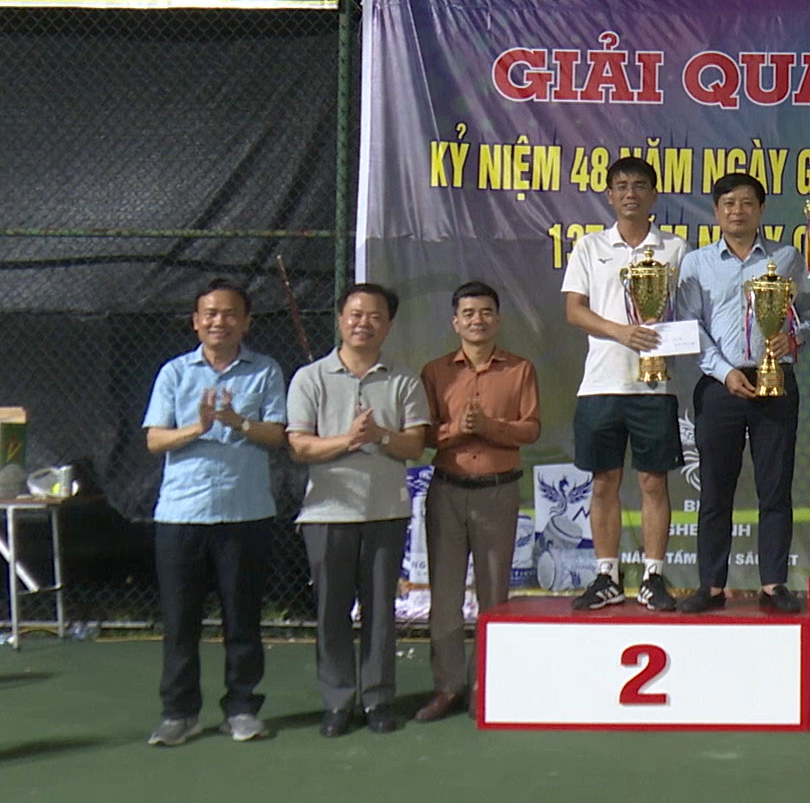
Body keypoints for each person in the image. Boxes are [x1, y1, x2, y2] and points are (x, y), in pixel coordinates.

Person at [141, 279, 288, 747]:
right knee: (179, 622)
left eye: (229, 314)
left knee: (242, 620)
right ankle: (179, 713)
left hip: (245, 514)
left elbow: (277, 435)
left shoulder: (264, 371)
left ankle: (242, 709)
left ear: (246, 322)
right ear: (195, 322)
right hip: (181, 514)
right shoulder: (174, 373)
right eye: (210, 313)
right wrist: (198, 427)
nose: (218, 321)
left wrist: (237, 422)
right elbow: (155, 439)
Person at [286, 283, 431, 737]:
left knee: (380, 611)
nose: (362, 323)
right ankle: (337, 701)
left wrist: (379, 436)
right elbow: (299, 445)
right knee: (331, 611)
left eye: (374, 316)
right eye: (354, 314)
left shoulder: (404, 379)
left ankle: (378, 699)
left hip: (385, 512)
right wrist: (346, 440)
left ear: (388, 325)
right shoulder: (310, 378)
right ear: (340, 319)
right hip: (326, 512)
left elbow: (415, 444)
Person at [675, 173, 810, 614]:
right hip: (720, 385)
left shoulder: (786, 258)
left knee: (774, 488)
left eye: (746, 203)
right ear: (716, 211)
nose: (737, 211)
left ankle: (773, 585)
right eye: (728, 203)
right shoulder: (697, 263)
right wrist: (724, 373)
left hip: (776, 382)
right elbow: (690, 327)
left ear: (761, 210)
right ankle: (711, 586)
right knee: (714, 490)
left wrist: (793, 338)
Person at [562, 155, 690, 611]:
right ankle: (607, 575)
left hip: (654, 386)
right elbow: (574, 310)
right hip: (600, 383)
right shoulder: (590, 246)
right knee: (603, 482)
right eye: (621, 186)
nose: (630, 193)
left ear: (654, 195)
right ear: (610, 195)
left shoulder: (675, 248)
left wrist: (667, 334)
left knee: (654, 482)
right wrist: (621, 332)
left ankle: (653, 576)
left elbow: (688, 311)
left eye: (639, 186)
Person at [414, 281, 541, 722]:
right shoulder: (435, 372)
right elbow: (423, 434)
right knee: (445, 596)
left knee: (494, 594)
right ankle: (447, 686)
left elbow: (531, 428)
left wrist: (489, 427)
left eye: (486, 312)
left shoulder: (520, 369)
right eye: (468, 313)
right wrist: (457, 430)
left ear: (498, 319)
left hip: (498, 491)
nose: (477, 320)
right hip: (447, 490)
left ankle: (485, 684)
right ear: (455, 322)